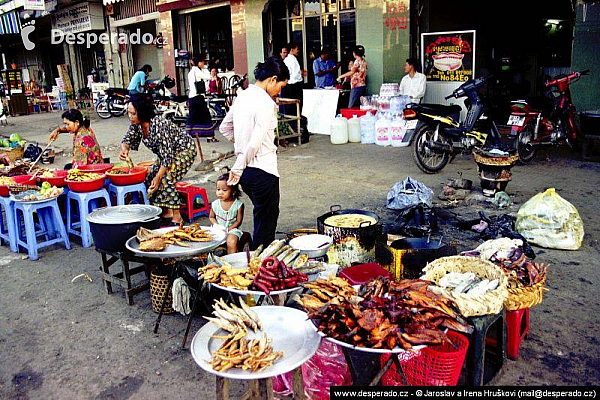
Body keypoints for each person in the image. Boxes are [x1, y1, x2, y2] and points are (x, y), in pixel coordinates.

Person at [220, 57, 289, 249]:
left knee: (262, 215)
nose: (279, 91)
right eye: (281, 86)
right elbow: (255, 142)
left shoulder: (243, 95)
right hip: (262, 172)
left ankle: (250, 248)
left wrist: (240, 145)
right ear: (272, 79)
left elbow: (225, 128)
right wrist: (238, 166)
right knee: (266, 224)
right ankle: (259, 266)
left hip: (248, 174)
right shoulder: (265, 102)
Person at [120, 96, 197, 225]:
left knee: (165, 177)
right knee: (150, 176)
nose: (130, 116)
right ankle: (165, 210)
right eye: (129, 113)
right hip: (166, 154)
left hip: (185, 150)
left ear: (142, 112)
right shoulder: (137, 125)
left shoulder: (159, 125)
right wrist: (124, 149)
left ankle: (177, 216)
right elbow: (127, 139)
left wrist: (159, 176)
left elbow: (167, 157)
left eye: (133, 113)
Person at [209, 173, 245, 254]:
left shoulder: (238, 205)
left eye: (224, 190)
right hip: (218, 228)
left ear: (233, 191)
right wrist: (216, 225)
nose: (220, 193)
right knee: (209, 241)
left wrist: (228, 229)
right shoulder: (215, 204)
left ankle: (231, 259)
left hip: (232, 229)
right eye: (218, 189)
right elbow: (211, 217)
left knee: (231, 242)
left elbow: (238, 221)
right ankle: (211, 261)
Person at [186, 56, 215, 141]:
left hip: (192, 97)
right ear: (198, 63)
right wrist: (205, 69)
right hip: (198, 97)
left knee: (192, 116)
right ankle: (209, 136)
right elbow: (209, 77)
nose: (203, 64)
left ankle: (188, 133)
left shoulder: (191, 72)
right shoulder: (197, 71)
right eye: (202, 62)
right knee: (205, 116)